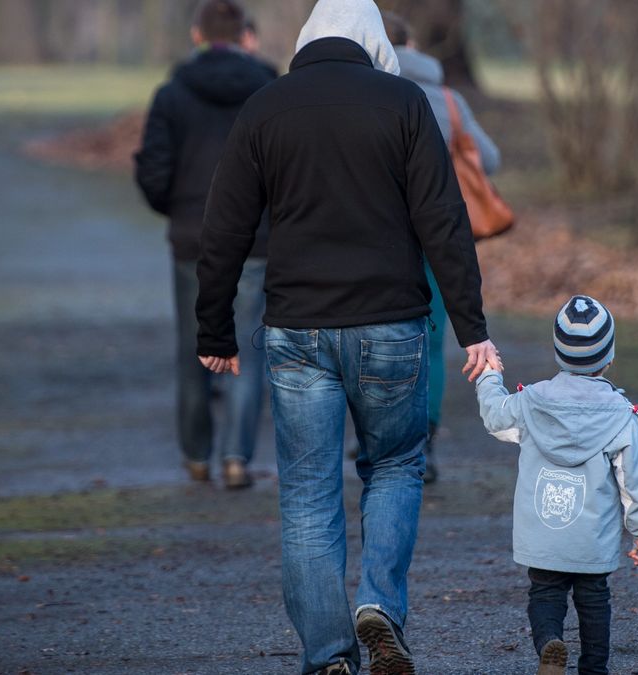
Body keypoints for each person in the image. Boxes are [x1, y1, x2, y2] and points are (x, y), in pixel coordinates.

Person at [193, 0, 500, 672]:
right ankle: (380, 606)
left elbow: (223, 229)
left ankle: (329, 652)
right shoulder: (403, 103)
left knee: (307, 492)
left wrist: (215, 326)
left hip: (297, 329)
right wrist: (472, 329)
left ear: (308, 38)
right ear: (371, 42)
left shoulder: (266, 107)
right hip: (391, 323)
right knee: (394, 464)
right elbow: (443, 222)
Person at [475, 295, 638, 675]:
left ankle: (550, 644)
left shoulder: (531, 403)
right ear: (609, 358)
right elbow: (636, 478)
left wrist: (489, 375)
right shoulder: (620, 416)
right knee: (594, 601)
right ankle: (593, 668)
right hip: (592, 539)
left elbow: (496, 418)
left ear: (558, 352)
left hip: (542, 537)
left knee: (545, 594)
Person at [134, 0, 275, 489]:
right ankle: (237, 457)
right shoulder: (269, 89)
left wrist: (175, 206)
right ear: (243, 36)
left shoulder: (172, 93)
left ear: (197, 35)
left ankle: (196, 454)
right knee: (248, 351)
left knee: (194, 346)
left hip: (192, 237)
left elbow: (152, 167)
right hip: (256, 239)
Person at [382, 11, 501, 483]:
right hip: (442, 234)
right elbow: (489, 158)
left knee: (379, 330)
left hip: (385, 235)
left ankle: (381, 428)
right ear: (413, 44)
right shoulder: (447, 99)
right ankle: (424, 438)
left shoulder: (372, 97)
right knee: (429, 339)